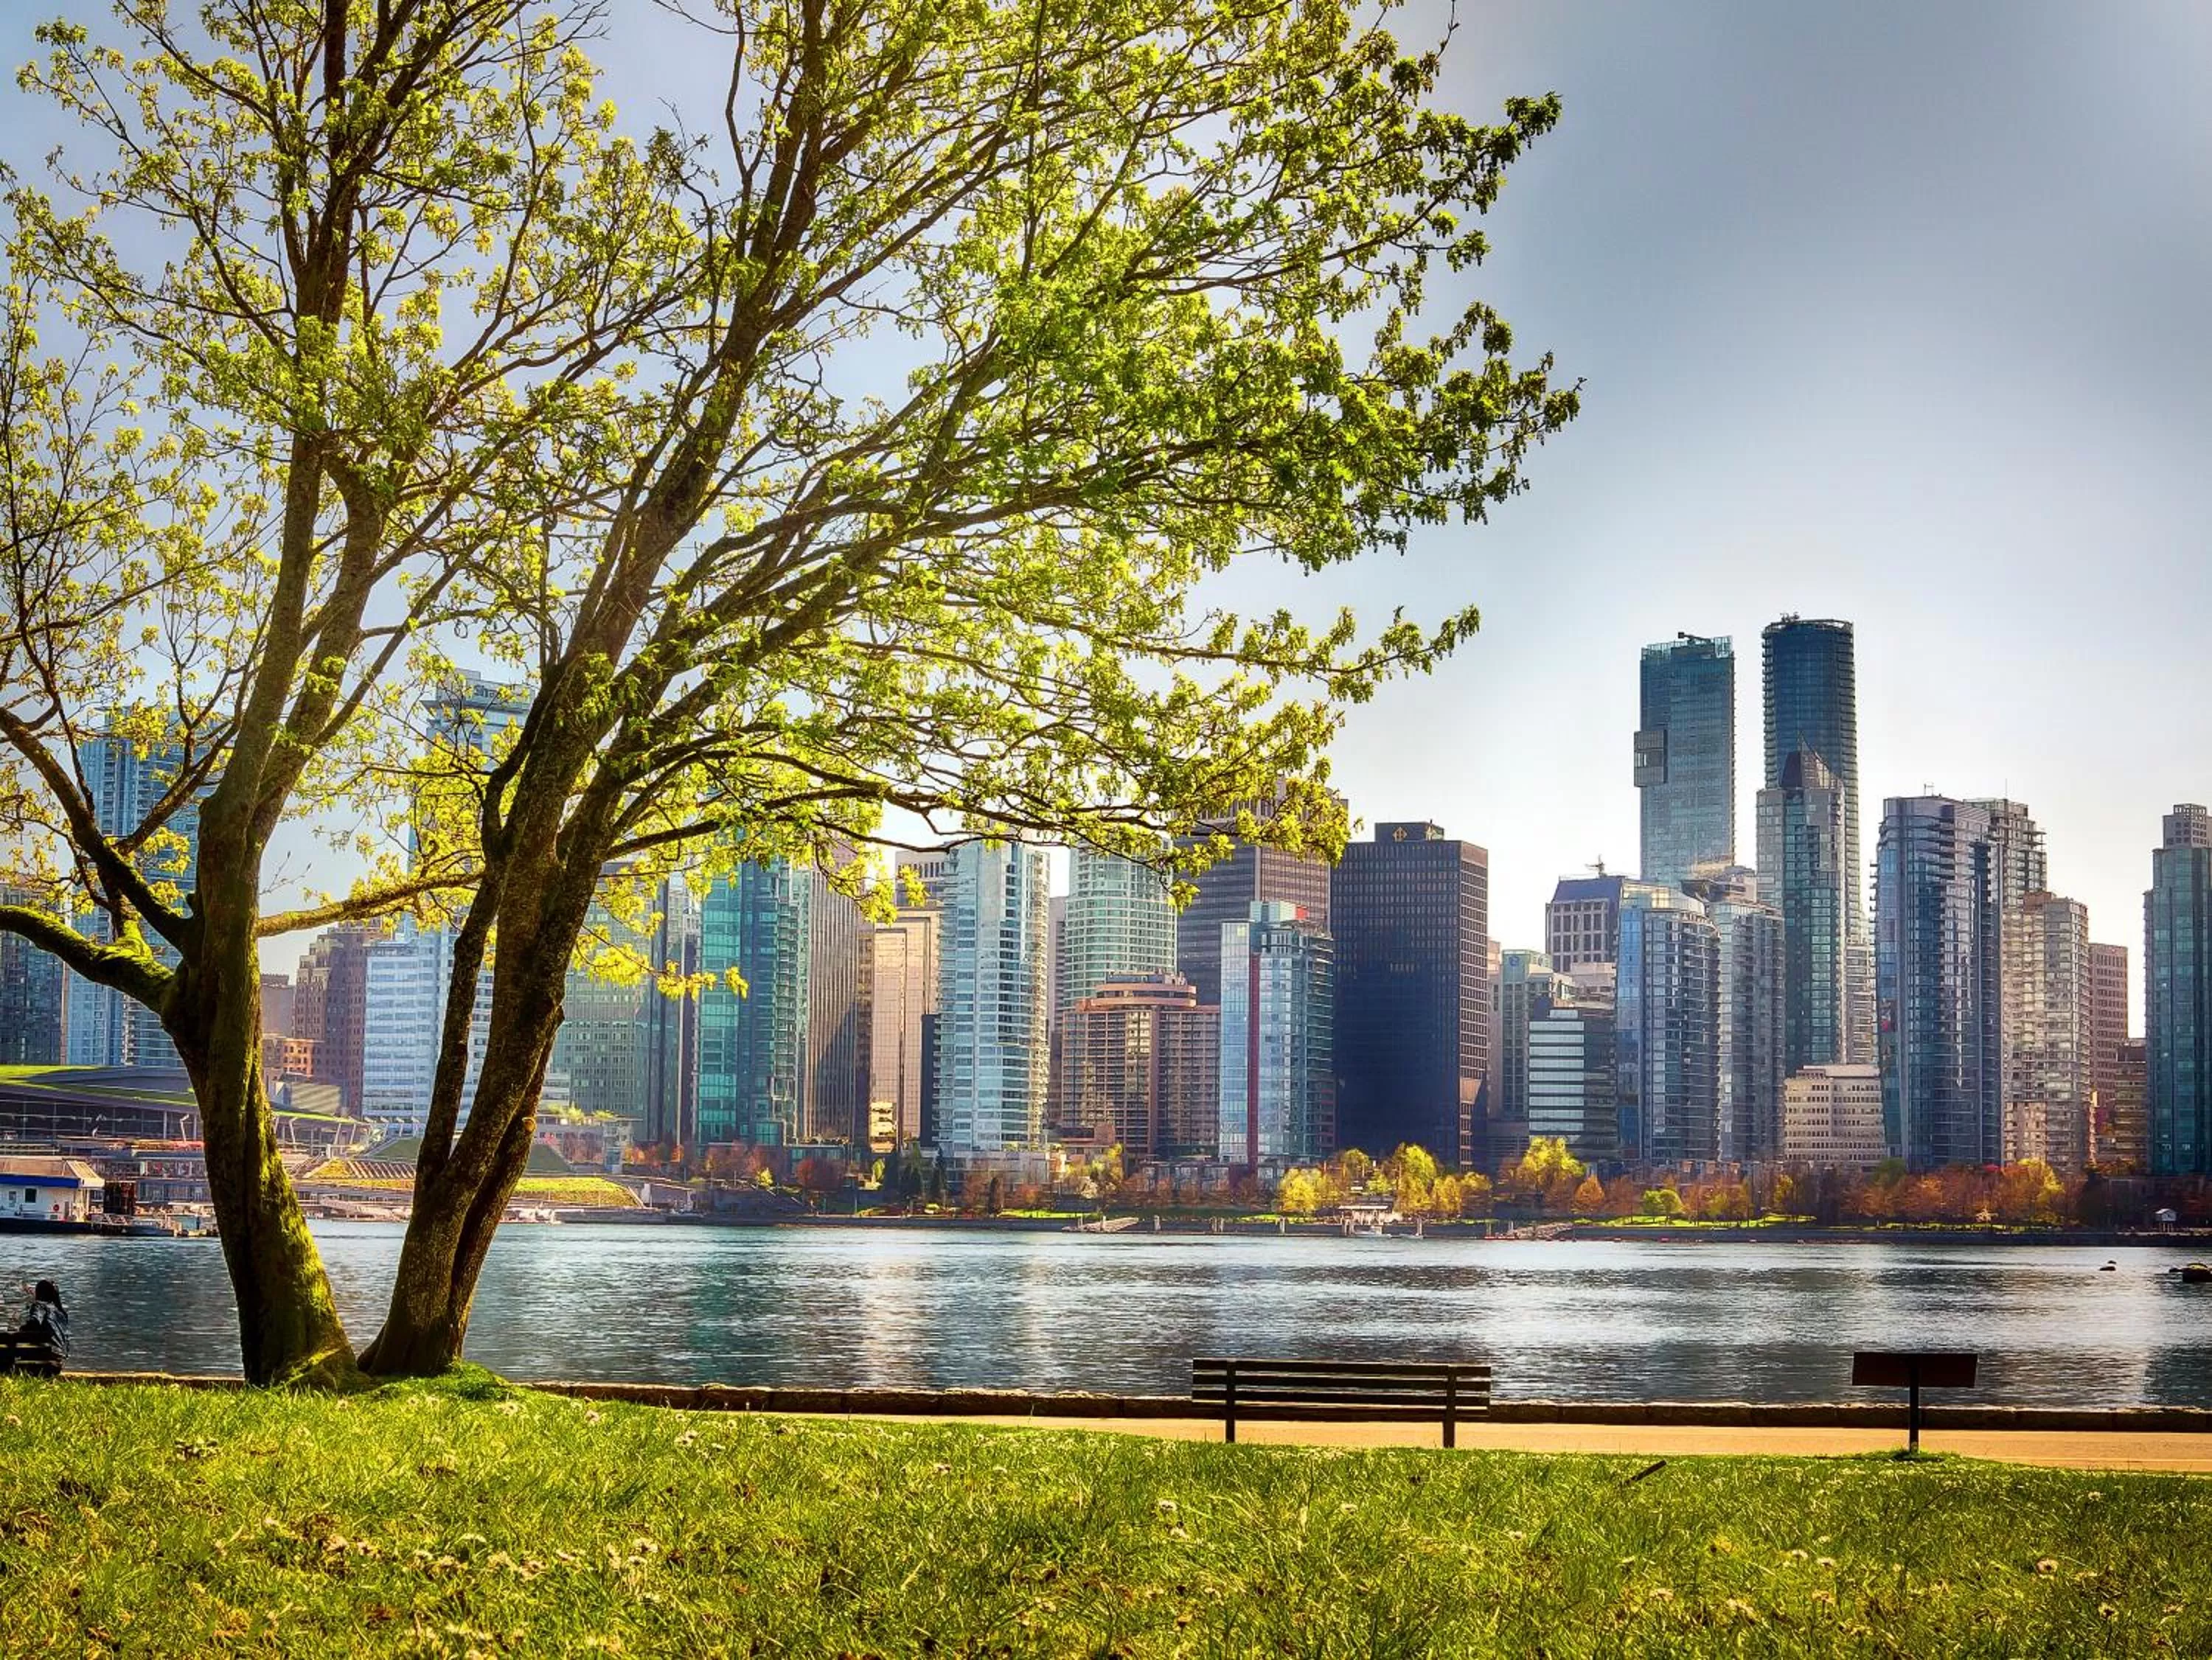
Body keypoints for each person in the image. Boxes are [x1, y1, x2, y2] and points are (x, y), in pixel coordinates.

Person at [0, 1280, 68, 1377]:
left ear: (39, 1293)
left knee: (6, 1338)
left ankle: (6, 1370)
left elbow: (34, 1323)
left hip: (43, 1363)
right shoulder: (62, 1313)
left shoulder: (39, 1306)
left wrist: (21, 1331)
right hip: (58, 1363)